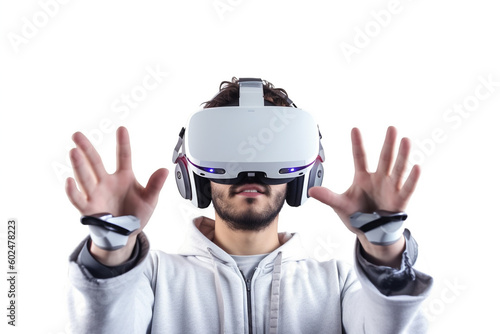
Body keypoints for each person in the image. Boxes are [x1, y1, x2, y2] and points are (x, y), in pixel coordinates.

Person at [66, 78, 433, 333]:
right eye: (228, 150)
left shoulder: (340, 282)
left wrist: (385, 252)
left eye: (271, 151)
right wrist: (112, 251)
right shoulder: (153, 277)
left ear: (305, 173)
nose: (250, 171)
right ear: (192, 173)